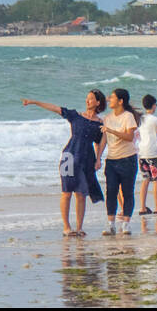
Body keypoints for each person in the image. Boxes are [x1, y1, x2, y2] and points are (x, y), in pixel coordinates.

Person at [22, 92, 105, 237]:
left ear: (98, 102)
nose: (87, 101)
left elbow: (99, 143)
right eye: (86, 98)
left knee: (81, 194)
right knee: (66, 192)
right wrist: (34, 102)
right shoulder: (75, 116)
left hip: (87, 159)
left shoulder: (100, 124)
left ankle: (79, 228)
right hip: (69, 157)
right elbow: (54, 108)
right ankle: (66, 227)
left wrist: (98, 160)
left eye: (91, 98)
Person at [98, 88, 143, 236]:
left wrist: (111, 131)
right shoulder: (107, 117)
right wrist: (98, 158)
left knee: (127, 192)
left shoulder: (128, 116)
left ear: (121, 101)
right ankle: (111, 224)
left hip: (128, 159)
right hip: (111, 160)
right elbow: (104, 140)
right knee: (111, 191)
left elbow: (130, 137)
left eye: (112, 97)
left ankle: (126, 224)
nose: (109, 99)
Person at [136, 94, 157, 215]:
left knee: (145, 180)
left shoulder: (140, 119)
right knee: (156, 180)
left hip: (141, 153)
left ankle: (142, 207)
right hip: (153, 153)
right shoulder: (155, 119)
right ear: (154, 105)